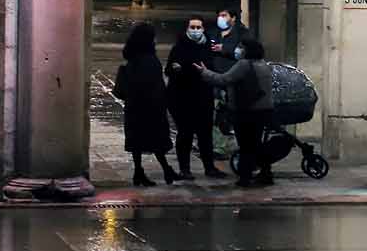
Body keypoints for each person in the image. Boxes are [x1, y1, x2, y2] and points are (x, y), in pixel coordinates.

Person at [197, 38, 276, 187]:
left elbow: (223, 79)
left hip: (246, 111)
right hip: (264, 111)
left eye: (241, 47)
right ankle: (266, 174)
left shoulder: (244, 64)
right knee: (256, 144)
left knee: (246, 145)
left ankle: (245, 177)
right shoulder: (264, 64)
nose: (238, 49)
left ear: (247, 50)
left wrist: (204, 72)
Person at [112, 22, 177, 187]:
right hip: (150, 107)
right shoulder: (149, 59)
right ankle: (166, 169)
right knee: (156, 140)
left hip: (134, 107)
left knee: (137, 142)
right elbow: (155, 84)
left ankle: (139, 172)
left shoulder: (133, 56)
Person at [166, 16, 226, 179]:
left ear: (203, 29)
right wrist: (178, 69)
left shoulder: (207, 47)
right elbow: (169, 70)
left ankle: (209, 167)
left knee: (205, 134)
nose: (195, 30)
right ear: (187, 29)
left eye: (198, 27)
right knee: (185, 133)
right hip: (183, 98)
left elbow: (212, 68)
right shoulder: (179, 48)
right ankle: (185, 169)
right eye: (192, 27)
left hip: (203, 97)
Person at [207, 8, 250, 72]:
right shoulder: (212, 32)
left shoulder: (242, 33)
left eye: (224, 16)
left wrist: (224, 48)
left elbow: (243, 53)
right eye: (219, 16)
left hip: (234, 73)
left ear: (233, 18)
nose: (220, 18)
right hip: (214, 74)